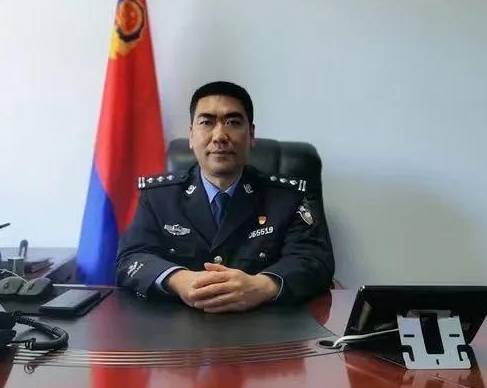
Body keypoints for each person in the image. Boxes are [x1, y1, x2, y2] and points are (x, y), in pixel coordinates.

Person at [115, 81, 335, 312]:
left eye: (233, 122)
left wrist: (263, 286)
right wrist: (179, 280)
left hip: (266, 325)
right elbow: (131, 258)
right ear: (191, 135)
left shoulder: (286, 198)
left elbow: (315, 261)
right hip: (178, 326)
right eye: (207, 122)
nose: (219, 136)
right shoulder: (159, 197)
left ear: (251, 135)